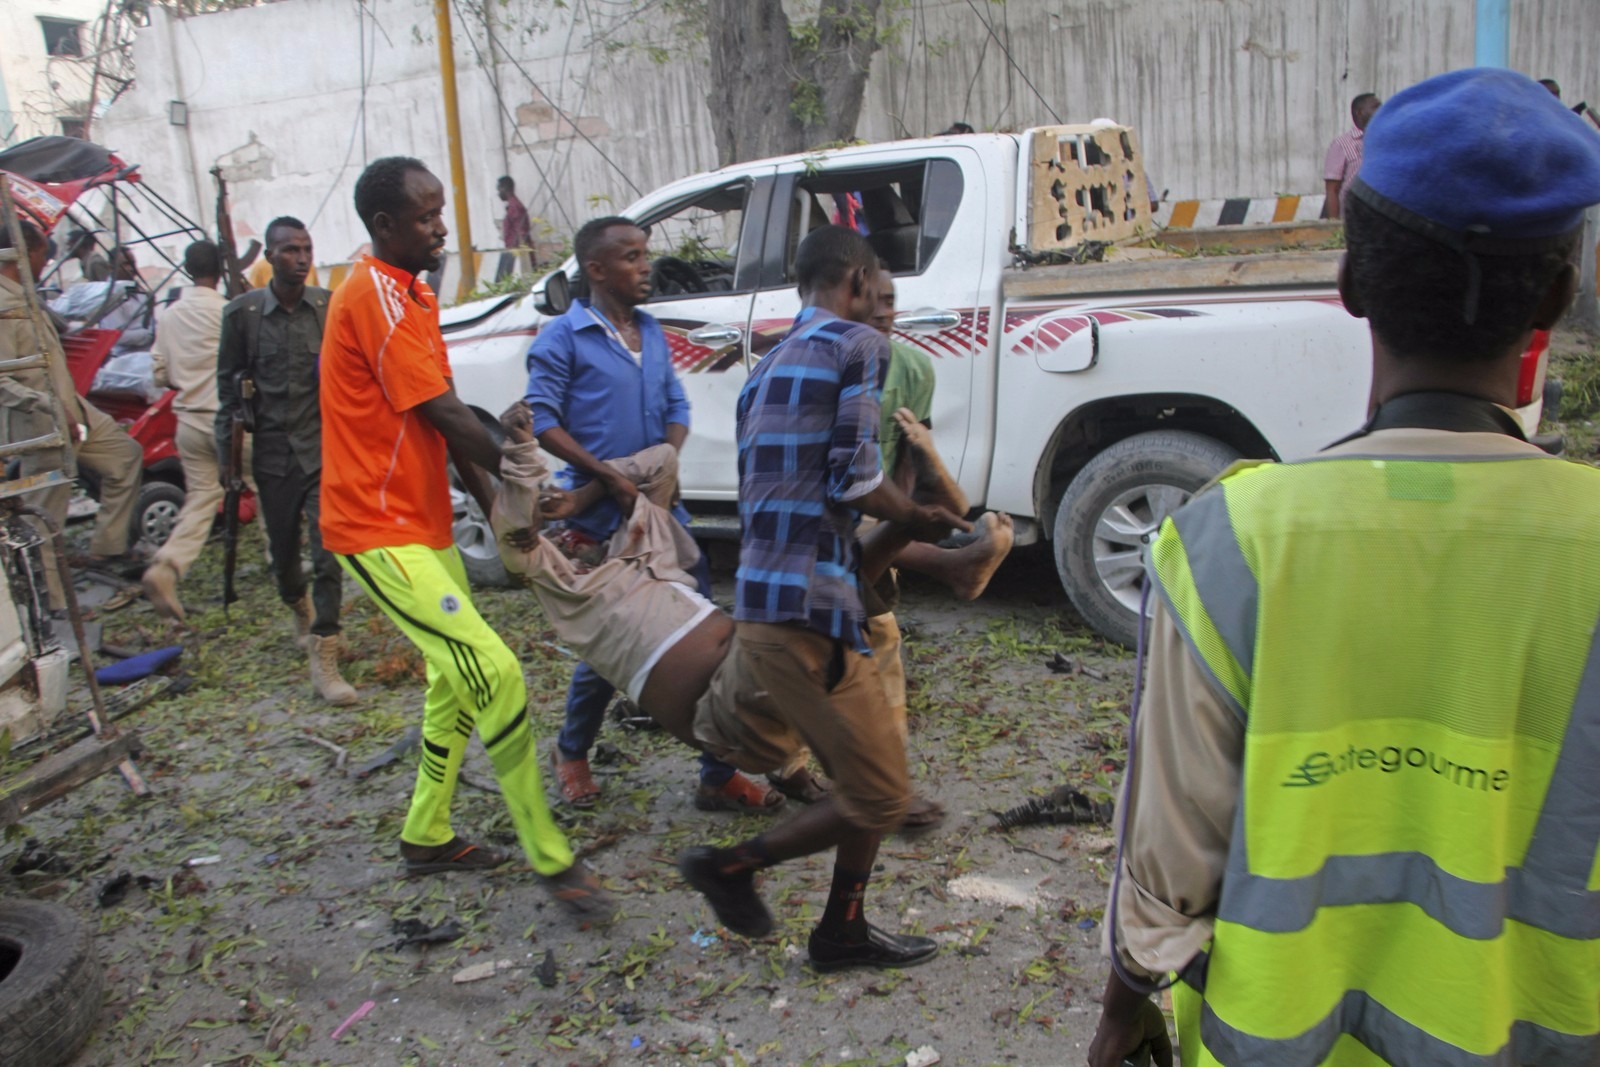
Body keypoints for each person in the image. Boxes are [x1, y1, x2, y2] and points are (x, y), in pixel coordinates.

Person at [1087, 68, 1600, 1067]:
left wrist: (1123, 1005)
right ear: (1557, 294)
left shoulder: (1229, 540)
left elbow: (1167, 865)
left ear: (1350, 282)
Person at [318, 155, 610, 920]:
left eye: (441, 210)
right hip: (374, 529)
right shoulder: (373, 296)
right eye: (423, 216)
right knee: (496, 670)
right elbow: (451, 416)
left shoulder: (410, 295)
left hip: (421, 522)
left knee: (453, 681)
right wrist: (525, 479)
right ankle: (550, 854)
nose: (441, 227)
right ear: (384, 226)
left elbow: (436, 416)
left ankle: (427, 833)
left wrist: (504, 515)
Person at [677, 225, 969, 971]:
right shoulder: (858, 346)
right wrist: (921, 515)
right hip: (811, 615)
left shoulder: (765, 366)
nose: (885, 308)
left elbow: (800, 504)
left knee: (875, 775)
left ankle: (843, 928)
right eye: (879, 291)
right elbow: (852, 480)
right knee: (880, 795)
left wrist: (907, 502)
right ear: (856, 280)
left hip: (774, 605)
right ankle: (730, 866)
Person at [527, 215, 782, 814]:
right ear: (596, 269)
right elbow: (543, 422)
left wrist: (654, 470)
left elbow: (676, 409)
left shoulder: (652, 332)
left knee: (709, 640)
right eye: (632, 257)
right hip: (599, 524)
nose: (647, 267)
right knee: (609, 651)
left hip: (664, 515)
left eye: (646, 255)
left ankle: (716, 775)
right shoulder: (562, 339)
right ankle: (572, 753)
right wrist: (610, 476)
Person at [216, 216, 357, 705]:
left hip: (324, 453)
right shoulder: (243, 315)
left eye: (307, 249)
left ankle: (326, 651)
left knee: (328, 553)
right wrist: (227, 464)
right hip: (273, 455)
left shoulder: (329, 308)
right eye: (290, 250)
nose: (301, 258)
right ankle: (297, 605)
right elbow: (228, 394)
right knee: (286, 560)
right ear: (270, 258)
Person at [0, 218, 144, 595]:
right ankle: (49, 601)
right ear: (23, 255)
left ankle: (107, 548)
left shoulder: (25, 295)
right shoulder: (3, 306)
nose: (45, 264)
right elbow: (2, 381)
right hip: (39, 422)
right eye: (41, 256)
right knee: (45, 516)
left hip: (71, 408)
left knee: (125, 455)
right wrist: (45, 405)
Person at [141, 240, 251, 621]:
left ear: (187, 271)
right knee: (273, 485)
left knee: (202, 498)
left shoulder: (170, 316)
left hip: (188, 422)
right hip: (232, 422)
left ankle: (167, 566)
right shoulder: (230, 311)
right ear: (221, 271)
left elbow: (160, 373)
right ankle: (282, 561)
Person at [1322, 92, 1380, 221]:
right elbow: (1332, 190)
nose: (1381, 110)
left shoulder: (1384, 141)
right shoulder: (1342, 144)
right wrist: (1334, 227)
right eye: (1375, 107)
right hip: (1352, 220)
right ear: (1360, 112)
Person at [496, 176, 534, 280]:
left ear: (505, 188)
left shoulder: (515, 207)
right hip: (516, 254)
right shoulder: (513, 206)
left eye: (499, 189)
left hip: (519, 256)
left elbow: (522, 233)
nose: (498, 193)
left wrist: (525, 258)